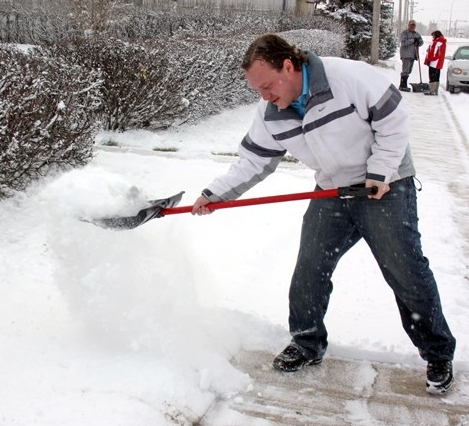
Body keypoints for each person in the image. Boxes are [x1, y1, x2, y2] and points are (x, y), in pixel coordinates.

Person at [191, 33, 456, 394]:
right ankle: (306, 342)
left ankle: (438, 353)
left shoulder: (348, 78)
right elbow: (253, 161)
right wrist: (213, 194)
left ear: (288, 65)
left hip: (387, 186)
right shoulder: (272, 111)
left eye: (267, 86)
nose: (265, 96)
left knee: (405, 270)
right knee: (311, 267)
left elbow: (394, 120)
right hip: (334, 190)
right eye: (259, 91)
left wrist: (380, 172)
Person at [399, 20, 423, 92]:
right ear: (408, 25)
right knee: (405, 70)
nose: (412, 26)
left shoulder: (416, 34)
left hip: (413, 54)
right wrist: (412, 40)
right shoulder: (405, 33)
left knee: (409, 70)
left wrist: (419, 42)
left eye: (414, 25)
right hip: (406, 54)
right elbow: (403, 42)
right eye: (411, 25)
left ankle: (404, 83)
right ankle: (403, 85)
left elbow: (421, 42)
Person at [423, 30, 447, 95]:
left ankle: (431, 90)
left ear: (436, 35)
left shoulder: (437, 42)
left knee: (432, 76)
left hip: (434, 62)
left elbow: (433, 53)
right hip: (438, 63)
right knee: (437, 76)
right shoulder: (442, 41)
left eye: (433, 36)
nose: (432, 37)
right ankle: (435, 91)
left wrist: (429, 59)